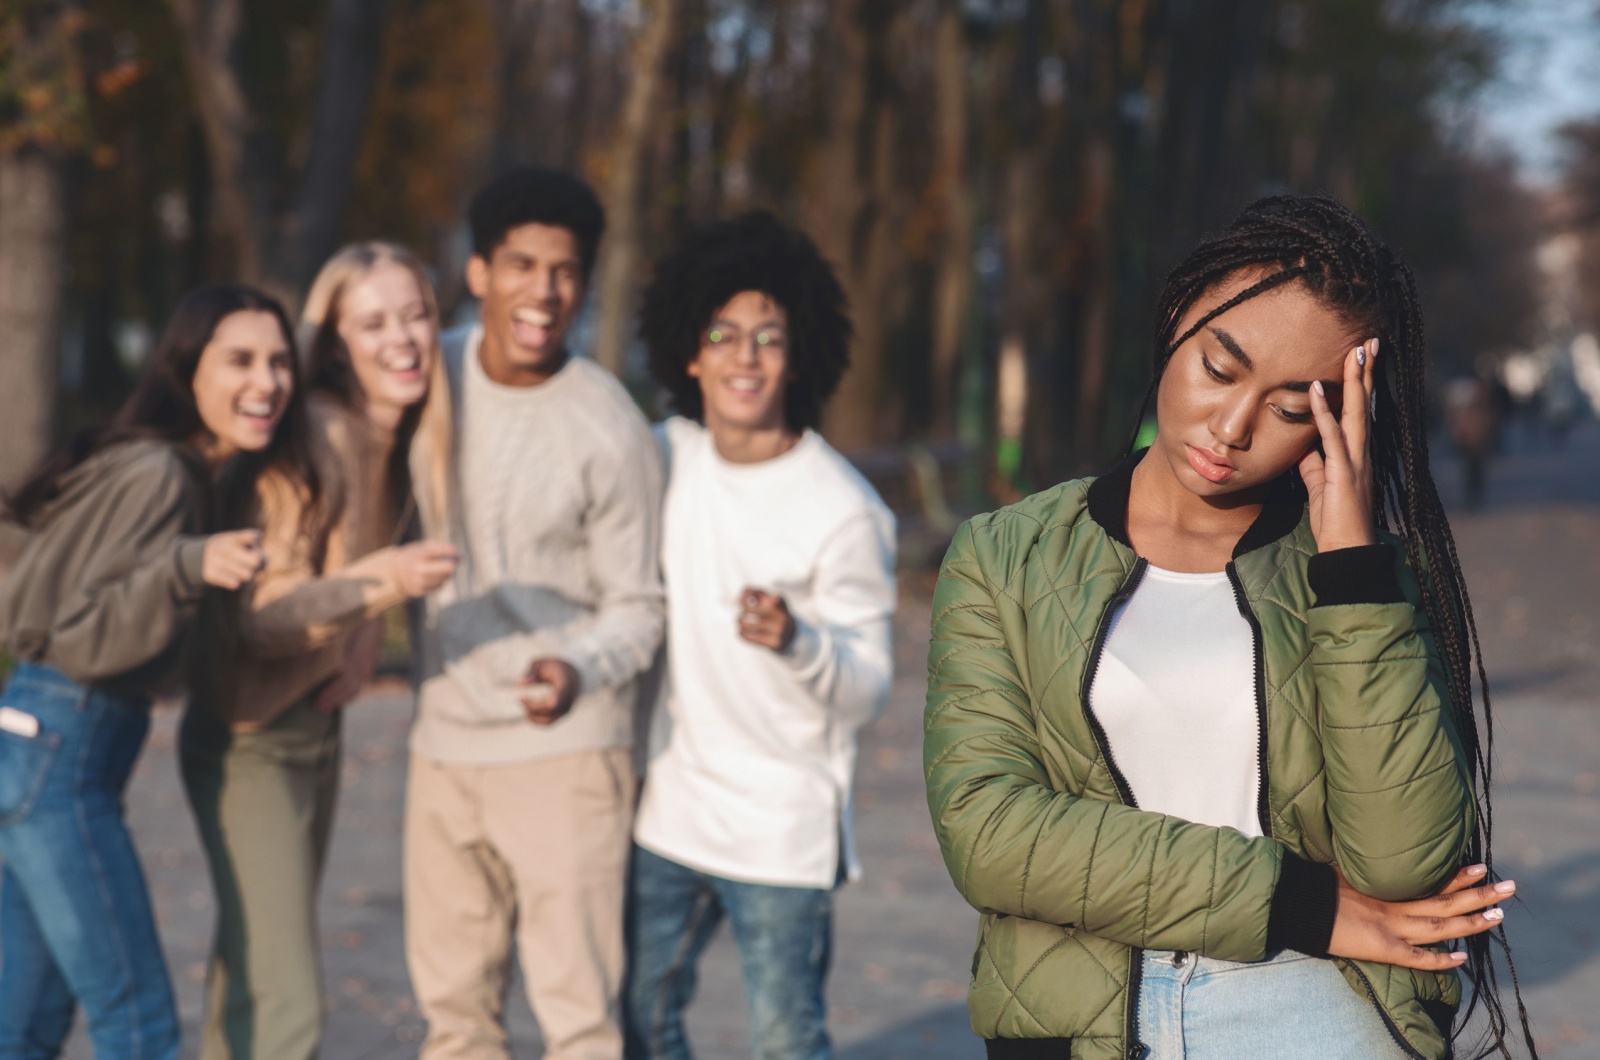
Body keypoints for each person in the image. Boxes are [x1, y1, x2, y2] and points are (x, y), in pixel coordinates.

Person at [924, 196, 1535, 1060]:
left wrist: (1353, 575)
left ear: (1341, 417)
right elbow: (989, 832)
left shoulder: (1372, 579)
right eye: (1220, 368)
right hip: (1085, 1012)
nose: (1233, 426)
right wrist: (1304, 904)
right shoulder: (1006, 554)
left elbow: (1402, 865)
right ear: (1179, 317)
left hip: (1312, 1005)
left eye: (1293, 406)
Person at [0, 284, 304, 1059]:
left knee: (23, 1028)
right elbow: (74, 633)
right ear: (185, 368)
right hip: (64, 749)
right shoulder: (159, 475)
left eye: (279, 362)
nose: (265, 381)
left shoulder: (163, 469)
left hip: (43, 747)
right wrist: (189, 565)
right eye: (239, 359)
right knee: (136, 1025)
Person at [623, 212, 897, 1060]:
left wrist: (798, 641)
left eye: (768, 338)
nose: (745, 356)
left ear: (798, 353)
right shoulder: (664, 457)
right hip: (670, 810)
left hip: (782, 831)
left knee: (786, 1042)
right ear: (690, 353)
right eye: (724, 334)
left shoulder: (844, 509)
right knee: (637, 1020)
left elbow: (868, 689)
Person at [404, 166, 665, 1060]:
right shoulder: (426, 380)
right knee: (455, 1024)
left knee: (580, 1026)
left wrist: (577, 667)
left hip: (565, 755)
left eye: (564, 271)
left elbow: (640, 606)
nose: (543, 290)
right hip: (440, 745)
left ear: (583, 285)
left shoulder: (608, 424)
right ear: (478, 273)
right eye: (521, 264)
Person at [179, 245, 459, 1060]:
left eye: (415, 315)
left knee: (253, 979)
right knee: (290, 1000)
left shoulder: (391, 434)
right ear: (336, 344)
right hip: (251, 738)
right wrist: (383, 585)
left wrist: (366, 619)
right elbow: (264, 615)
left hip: (309, 727)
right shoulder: (325, 434)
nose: (403, 338)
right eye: (373, 322)